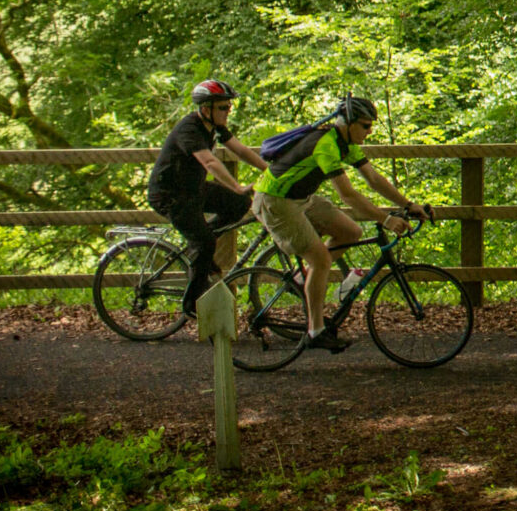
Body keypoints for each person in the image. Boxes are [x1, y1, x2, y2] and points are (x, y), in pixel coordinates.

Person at [250, 95, 425, 351]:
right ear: (348, 123)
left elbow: (373, 179)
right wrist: (386, 219)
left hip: (301, 198)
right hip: (275, 201)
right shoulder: (326, 145)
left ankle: (303, 279)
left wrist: (409, 205)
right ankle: (315, 331)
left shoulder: (345, 143)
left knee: (350, 231)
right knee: (321, 259)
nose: (370, 130)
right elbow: (348, 194)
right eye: (365, 125)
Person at [144, 80, 269, 318]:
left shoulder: (214, 126)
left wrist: (270, 171)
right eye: (222, 107)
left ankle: (203, 242)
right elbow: (210, 162)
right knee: (205, 244)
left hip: (193, 190)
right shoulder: (189, 129)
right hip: (170, 195)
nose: (227, 112)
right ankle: (192, 304)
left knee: (238, 203)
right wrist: (237, 186)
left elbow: (239, 150)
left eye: (228, 107)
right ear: (205, 108)